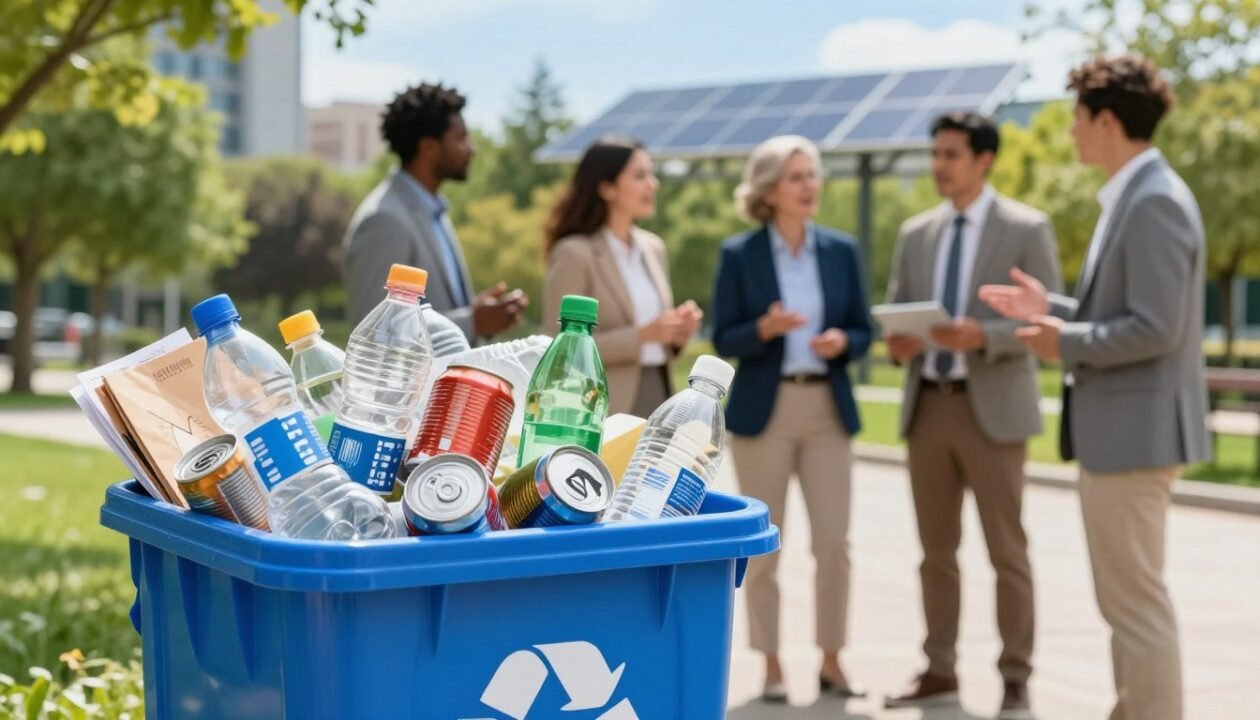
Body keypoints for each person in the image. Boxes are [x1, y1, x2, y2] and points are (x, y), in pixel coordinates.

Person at [980, 56, 1208, 720]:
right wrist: (1050, 307)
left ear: (1107, 120)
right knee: (1127, 603)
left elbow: (1155, 329)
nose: (1073, 131)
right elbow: (1127, 310)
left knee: (1135, 605)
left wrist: (1063, 342)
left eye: (1078, 118)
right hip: (1123, 435)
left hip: (1134, 438)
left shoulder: (1155, 200)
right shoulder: (1137, 195)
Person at [882, 112, 1061, 719]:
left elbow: (1041, 321)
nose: (939, 165)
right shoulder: (915, 233)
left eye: (951, 154)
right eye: (935, 153)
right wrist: (901, 342)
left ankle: (1016, 677)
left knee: (1007, 552)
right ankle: (939, 668)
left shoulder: (1027, 227)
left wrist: (979, 336)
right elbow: (900, 309)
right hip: (927, 408)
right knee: (935, 553)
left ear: (983, 159)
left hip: (994, 415)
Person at [710, 135, 872, 704]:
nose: (810, 186)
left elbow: (864, 328)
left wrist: (842, 342)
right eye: (798, 176)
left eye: (813, 174)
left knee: (833, 542)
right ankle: (773, 665)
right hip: (765, 410)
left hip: (826, 406)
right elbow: (721, 335)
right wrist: (764, 330)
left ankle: (832, 660)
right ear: (769, 189)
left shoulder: (841, 251)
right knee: (765, 547)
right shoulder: (740, 255)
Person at [343, 82, 527, 340]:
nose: (472, 149)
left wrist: (475, 314)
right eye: (461, 138)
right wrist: (471, 321)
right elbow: (374, 334)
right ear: (428, 147)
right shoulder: (384, 220)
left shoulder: (432, 211)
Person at [542, 136, 702, 417]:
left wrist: (676, 332)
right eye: (639, 175)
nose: (653, 184)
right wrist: (641, 336)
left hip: (659, 394)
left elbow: (657, 341)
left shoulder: (653, 247)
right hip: (601, 404)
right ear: (606, 188)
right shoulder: (575, 253)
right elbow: (557, 347)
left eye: (651, 174)